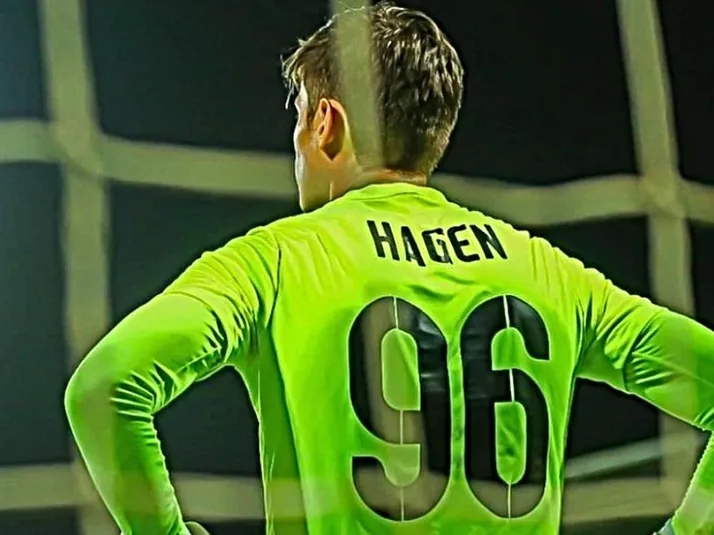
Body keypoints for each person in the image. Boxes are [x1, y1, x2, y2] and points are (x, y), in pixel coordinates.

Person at [64, 2, 714, 534]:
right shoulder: (546, 270)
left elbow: (105, 386)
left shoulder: (275, 260)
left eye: (298, 116)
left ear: (326, 124)